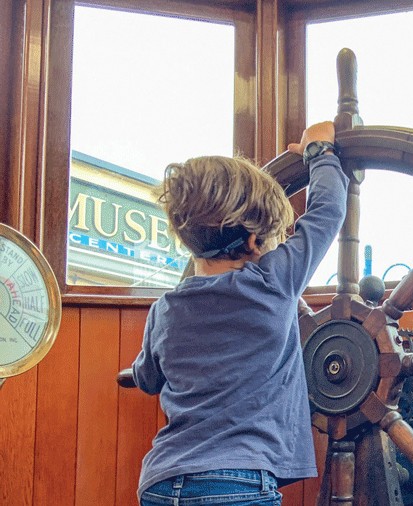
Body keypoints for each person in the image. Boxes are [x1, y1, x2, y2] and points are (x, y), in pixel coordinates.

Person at [130, 121, 348, 506]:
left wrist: (135, 373)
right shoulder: (271, 282)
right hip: (238, 483)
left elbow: (147, 377)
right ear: (252, 242)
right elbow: (327, 213)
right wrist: (320, 154)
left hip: (161, 482)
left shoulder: (165, 309)